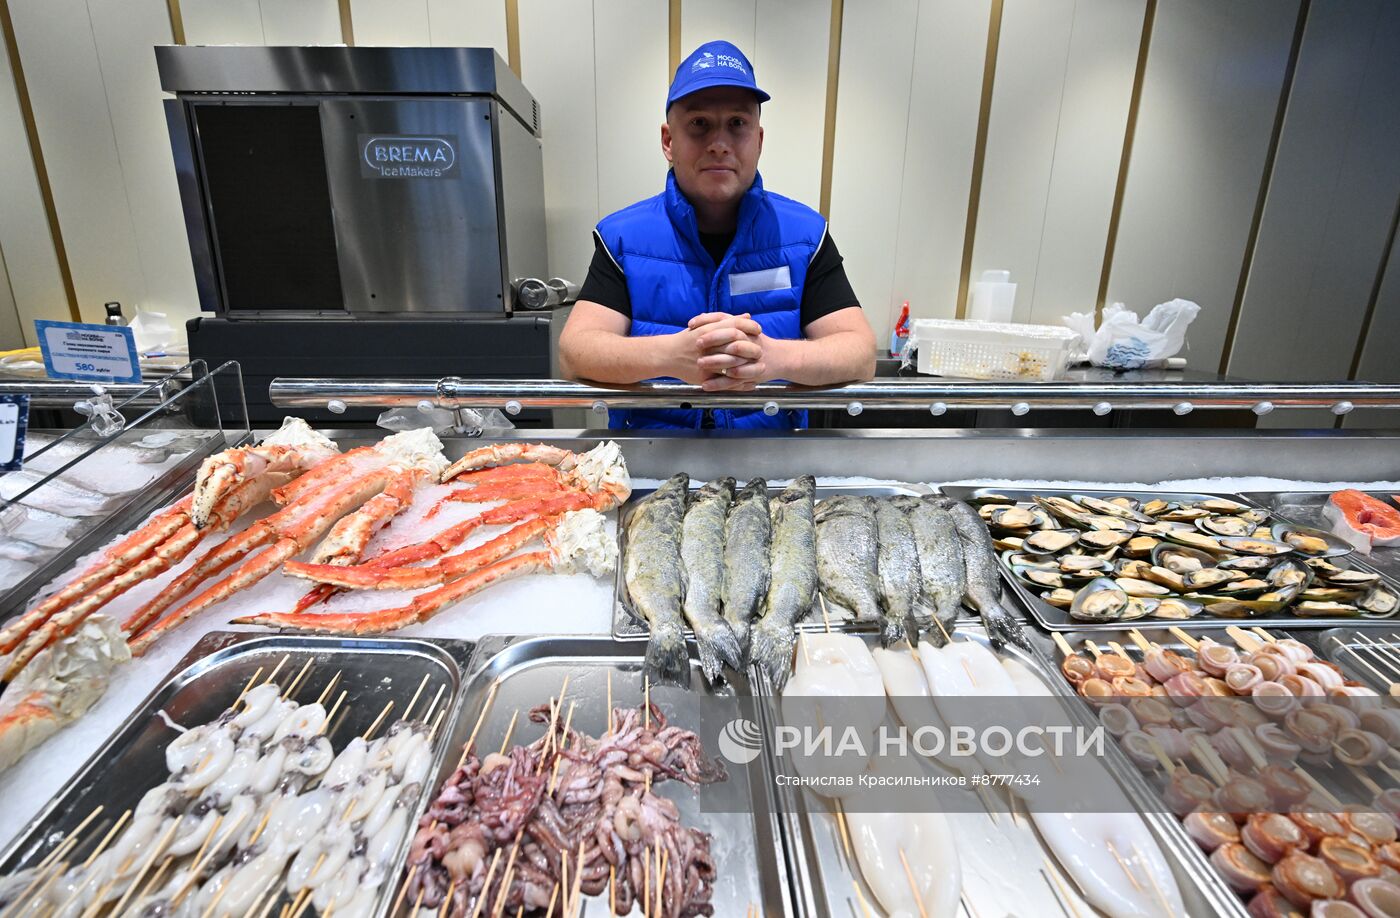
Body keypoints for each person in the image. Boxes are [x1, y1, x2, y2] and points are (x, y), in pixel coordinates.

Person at [558, 40, 876, 430]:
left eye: (737, 125)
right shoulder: (622, 238)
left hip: (773, 471)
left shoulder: (806, 236)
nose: (720, 145)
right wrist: (672, 356)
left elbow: (860, 354)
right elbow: (576, 353)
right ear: (668, 141)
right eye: (699, 125)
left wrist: (772, 359)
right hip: (650, 468)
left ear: (758, 140)